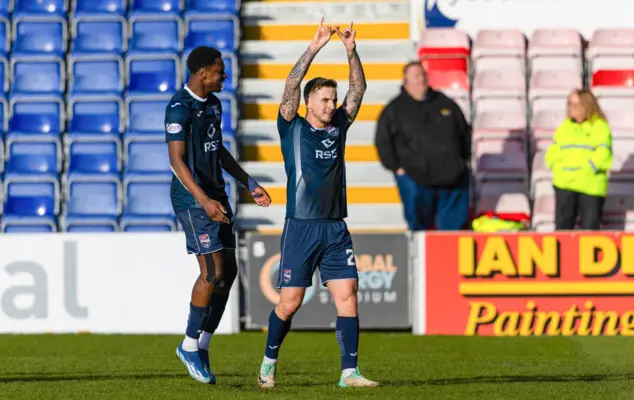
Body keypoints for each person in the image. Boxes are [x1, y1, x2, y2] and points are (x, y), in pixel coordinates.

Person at [257, 19, 379, 389]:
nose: (331, 104)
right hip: (301, 225)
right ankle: (268, 362)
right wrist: (314, 47)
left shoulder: (339, 125)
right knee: (289, 303)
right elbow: (291, 84)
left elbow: (359, 88)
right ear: (308, 102)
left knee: (348, 296)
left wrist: (350, 50)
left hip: (335, 227)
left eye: (333, 99)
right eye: (324, 99)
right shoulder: (291, 126)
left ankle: (349, 373)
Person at [166, 46, 272, 384]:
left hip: (217, 196)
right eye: (219, 72)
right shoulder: (179, 108)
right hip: (193, 199)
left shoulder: (213, 104)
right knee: (211, 273)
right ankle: (188, 346)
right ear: (201, 73)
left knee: (228, 275)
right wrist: (203, 200)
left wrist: (247, 181)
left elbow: (218, 149)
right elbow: (177, 161)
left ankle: (203, 345)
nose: (224, 77)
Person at [374, 62, 471, 231]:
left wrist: (462, 162)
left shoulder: (445, 102)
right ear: (406, 81)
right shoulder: (394, 109)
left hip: (451, 178)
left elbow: (464, 133)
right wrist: (396, 168)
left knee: (452, 233)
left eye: (423, 74)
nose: (421, 79)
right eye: (416, 75)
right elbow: (383, 141)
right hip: (415, 177)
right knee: (420, 231)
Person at [545, 89, 613, 230]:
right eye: (569, 104)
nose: (571, 108)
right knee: (562, 231)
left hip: (590, 186)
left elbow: (603, 153)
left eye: (576, 105)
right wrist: (555, 165)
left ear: (586, 106)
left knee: (590, 232)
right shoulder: (564, 127)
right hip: (564, 184)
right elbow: (554, 150)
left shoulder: (600, 127)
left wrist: (589, 168)